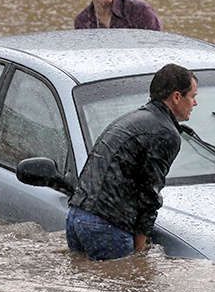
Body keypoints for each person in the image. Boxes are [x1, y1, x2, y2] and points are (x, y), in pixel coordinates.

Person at [66, 64, 198, 260]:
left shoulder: (132, 119)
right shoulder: (166, 133)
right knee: (125, 287)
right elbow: (149, 193)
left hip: (76, 216)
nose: (195, 103)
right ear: (176, 97)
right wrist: (138, 254)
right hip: (107, 225)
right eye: (193, 96)